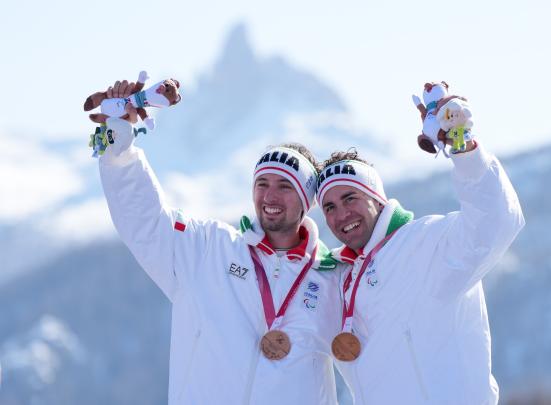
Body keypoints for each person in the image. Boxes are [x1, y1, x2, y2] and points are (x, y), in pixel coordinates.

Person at [96, 81, 343, 404]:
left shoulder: (335, 278)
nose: (269, 196)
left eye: (284, 186)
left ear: (307, 200)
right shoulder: (207, 248)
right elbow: (143, 220)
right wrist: (119, 144)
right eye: (262, 183)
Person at [317, 86, 525, 404]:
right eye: (329, 207)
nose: (342, 214)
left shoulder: (427, 244)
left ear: (376, 197)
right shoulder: (334, 275)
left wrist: (460, 142)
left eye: (350, 198)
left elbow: (495, 221)